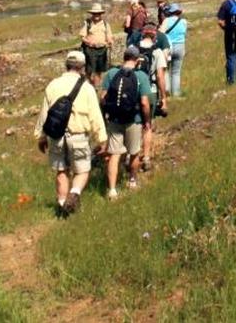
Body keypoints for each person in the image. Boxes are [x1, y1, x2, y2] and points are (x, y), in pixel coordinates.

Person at [33, 50, 106, 216]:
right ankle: (75, 193)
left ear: (66, 65)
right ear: (82, 67)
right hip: (78, 135)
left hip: (56, 136)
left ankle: (61, 206)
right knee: (82, 170)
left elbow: (45, 113)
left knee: (61, 170)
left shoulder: (53, 85)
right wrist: (101, 138)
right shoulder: (87, 88)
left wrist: (42, 136)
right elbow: (95, 115)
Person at [100, 46, 153, 198]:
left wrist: (105, 117)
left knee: (114, 154)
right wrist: (147, 120)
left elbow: (103, 99)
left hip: (115, 119)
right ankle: (132, 181)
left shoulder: (111, 73)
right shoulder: (141, 76)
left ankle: (111, 190)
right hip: (133, 120)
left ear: (124, 57)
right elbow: (144, 102)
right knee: (134, 152)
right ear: (137, 60)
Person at [133, 21, 169, 170]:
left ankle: (132, 153)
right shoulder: (157, 52)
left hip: (133, 90)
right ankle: (146, 157)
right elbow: (160, 76)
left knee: (134, 124)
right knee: (147, 125)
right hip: (151, 91)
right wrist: (164, 98)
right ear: (155, 35)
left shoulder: (132, 49)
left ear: (142, 33)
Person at [79, 2, 113, 84]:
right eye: (95, 14)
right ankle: (88, 84)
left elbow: (109, 35)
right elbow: (82, 37)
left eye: (98, 13)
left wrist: (110, 41)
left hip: (102, 49)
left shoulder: (105, 24)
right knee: (89, 69)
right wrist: (89, 42)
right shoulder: (87, 23)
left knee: (99, 70)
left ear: (101, 14)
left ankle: (97, 86)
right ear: (92, 14)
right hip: (90, 49)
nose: (96, 15)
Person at [160, 3, 187, 98]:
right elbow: (184, 34)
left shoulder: (166, 21)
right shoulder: (184, 21)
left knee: (166, 69)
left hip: (168, 48)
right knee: (176, 72)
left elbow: (161, 34)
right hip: (180, 46)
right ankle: (176, 93)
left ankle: (166, 91)